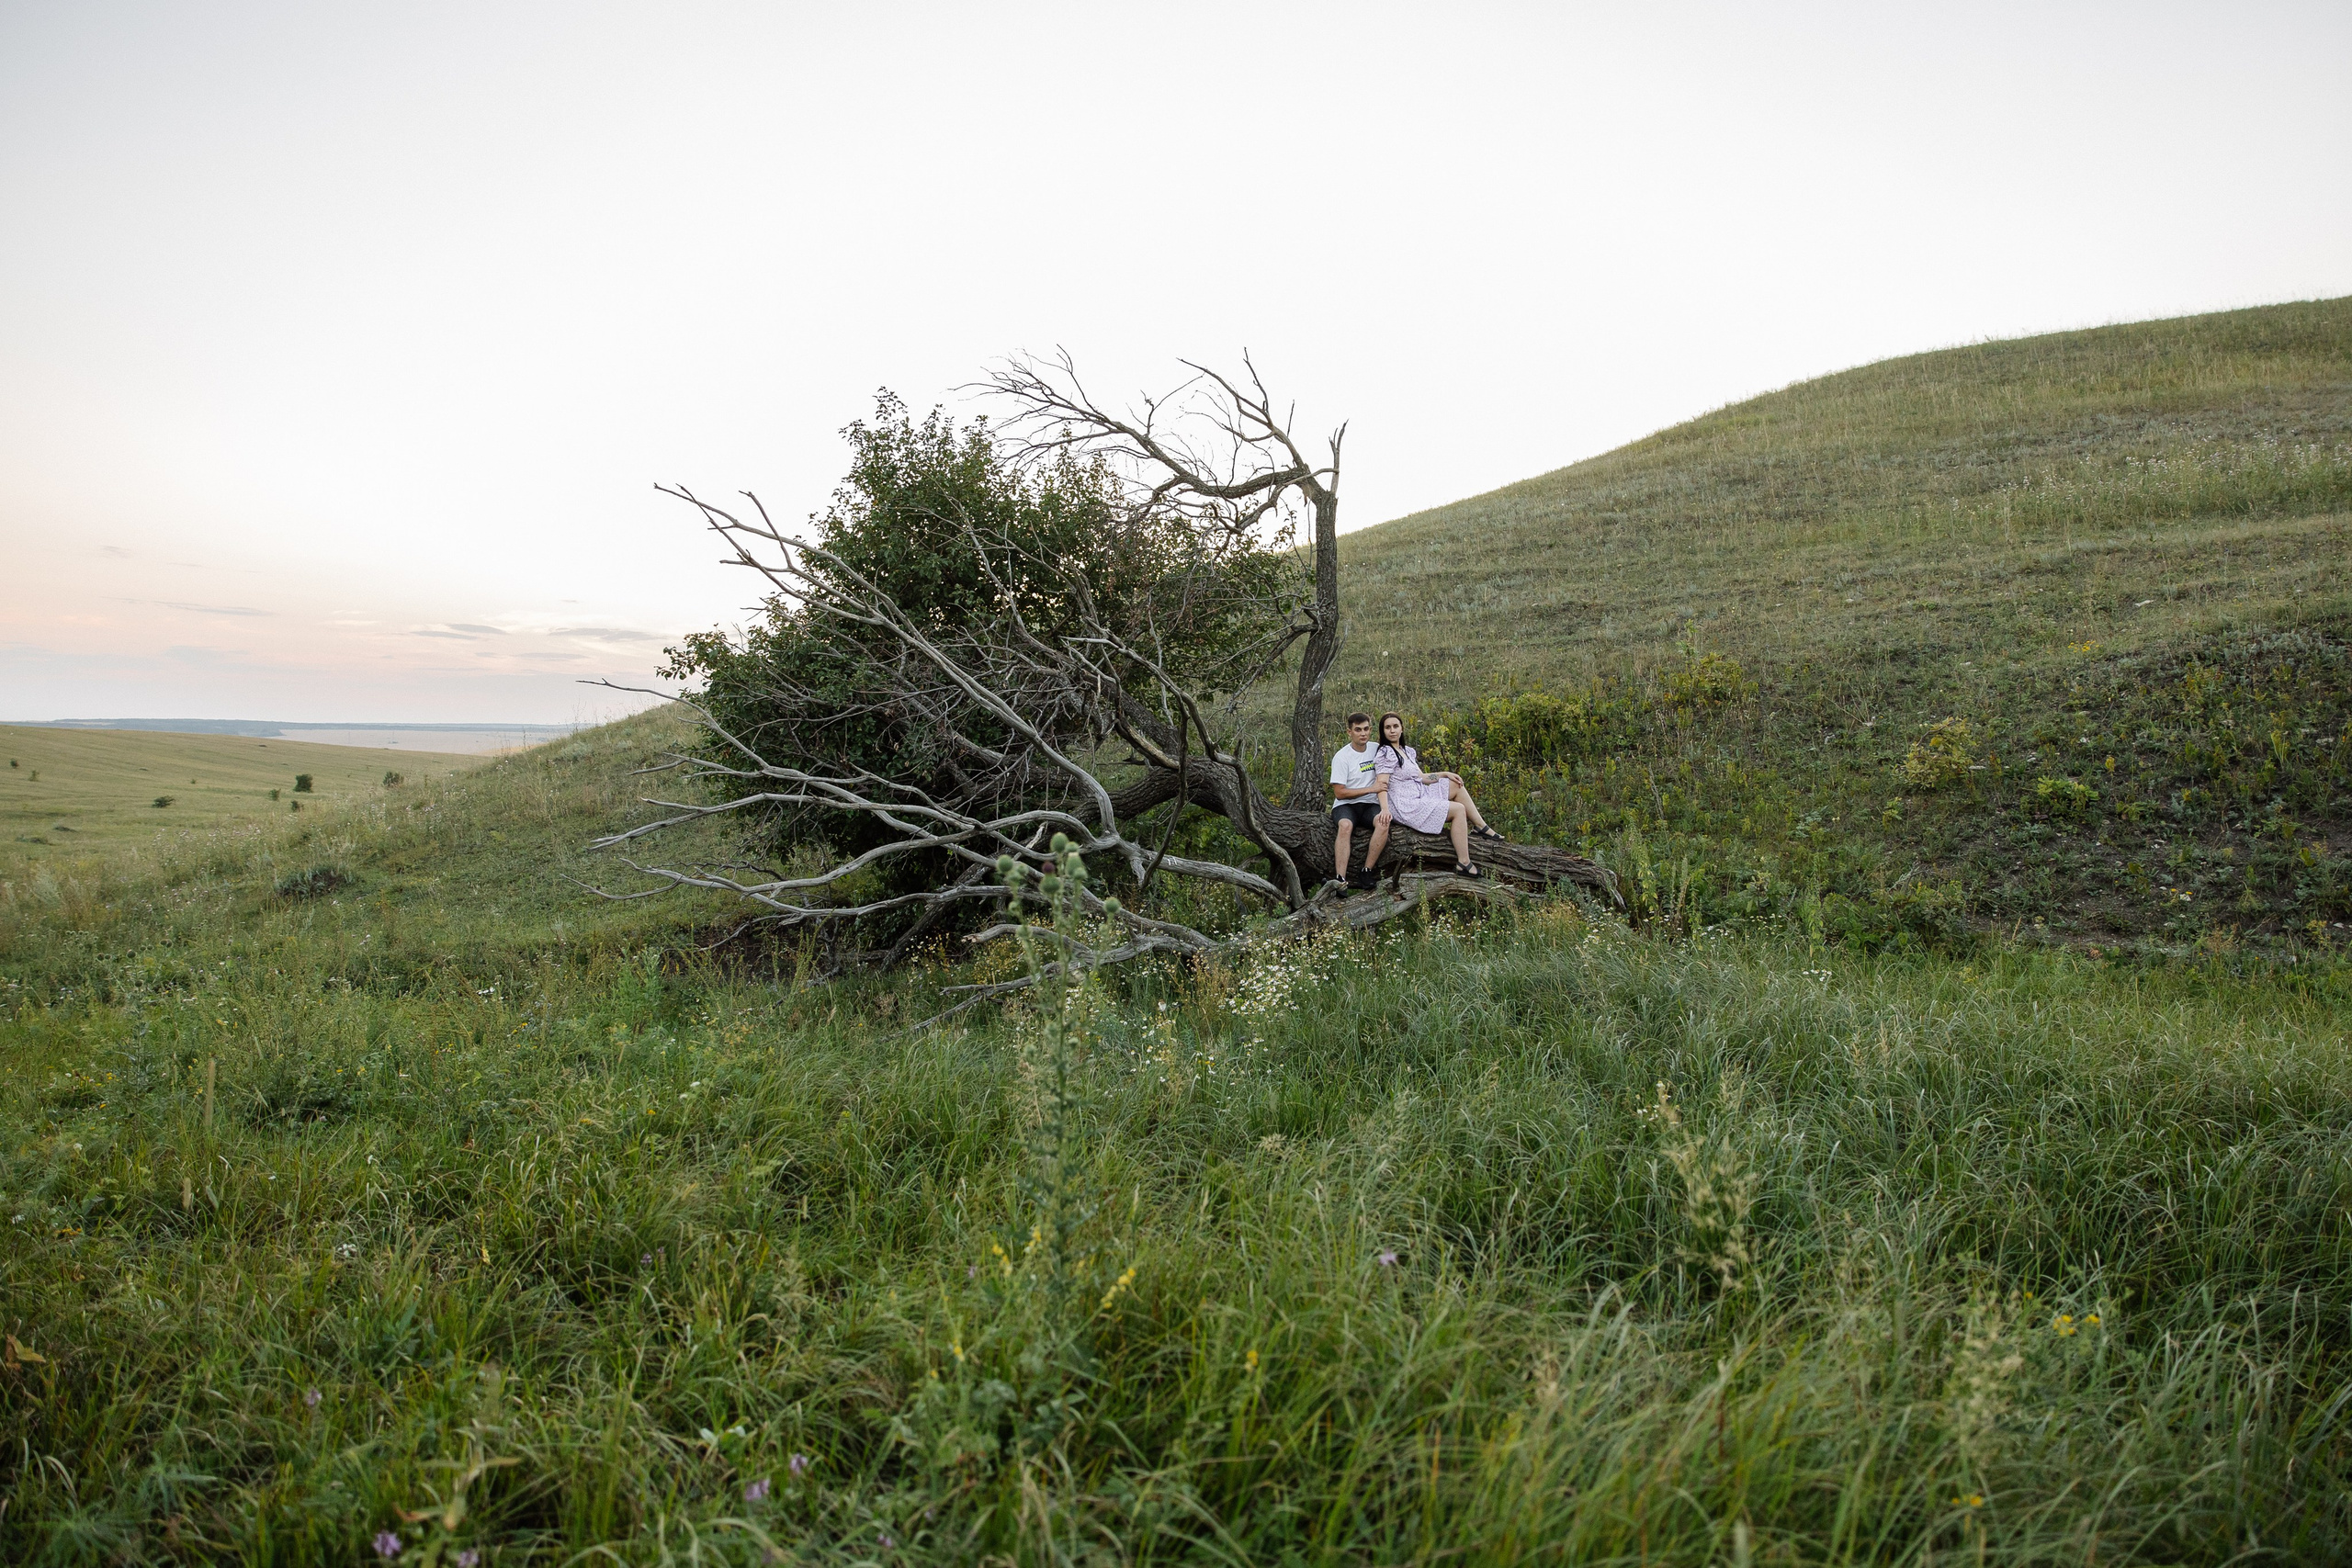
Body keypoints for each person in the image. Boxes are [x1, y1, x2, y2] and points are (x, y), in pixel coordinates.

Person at [1373, 711, 1505, 877]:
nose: (1392, 730)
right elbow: (1382, 784)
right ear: (1383, 731)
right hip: (1405, 804)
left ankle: (1481, 827)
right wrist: (1385, 809)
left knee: (1455, 785)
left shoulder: (1406, 751)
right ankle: (1464, 862)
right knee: (1458, 810)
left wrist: (1445, 774)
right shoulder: (1386, 753)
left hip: (1418, 792)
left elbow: (1422, 778)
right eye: (1387, 727)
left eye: (1395, 726)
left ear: (1402, 729)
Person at [1326, 712, 1392, 892]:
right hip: (1346, 805)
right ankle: (1340, 879)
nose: (1363, 734)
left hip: (1370, 804)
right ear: (1349, 732)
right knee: (1345, 826)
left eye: (1366, 729)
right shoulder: (1342, 757)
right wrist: (1371, 788)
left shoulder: (1376, 749)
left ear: (1370, 730)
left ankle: (1366, 871)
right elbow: (1340, 793)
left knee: (1383, 822)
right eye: (1358, 730)